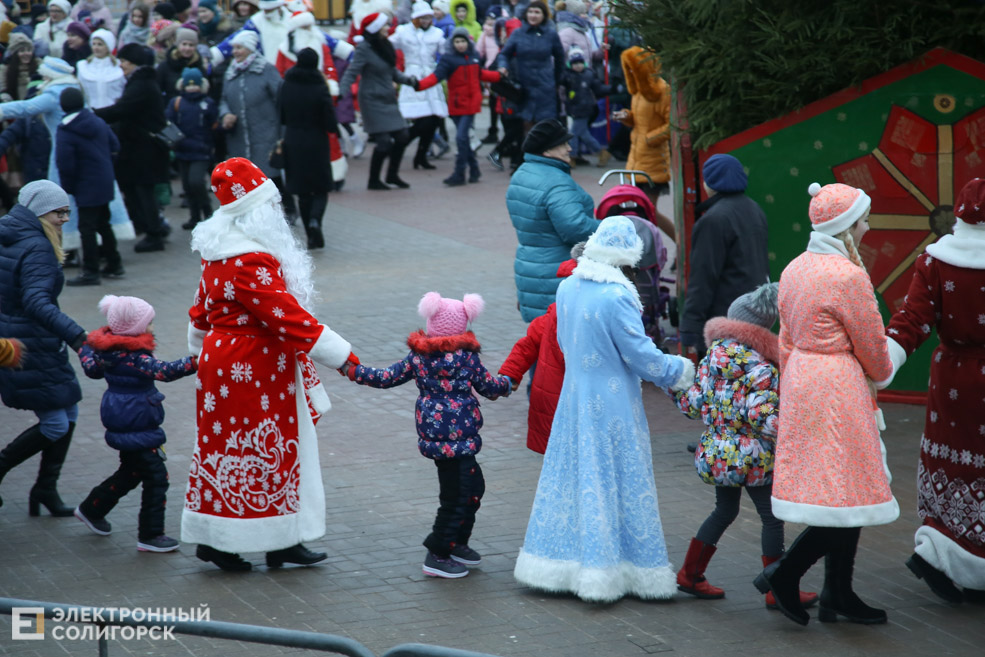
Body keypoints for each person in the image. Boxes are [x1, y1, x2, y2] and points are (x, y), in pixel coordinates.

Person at [183, 157, 357, 572]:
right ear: (258, 209)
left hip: (224, 361)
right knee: (267, 448)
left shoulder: (217, 249)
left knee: (229, 447)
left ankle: (276, 538)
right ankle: (233, 542)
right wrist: (343, 357)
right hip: (255, 365)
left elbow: (200, 311)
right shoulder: (250, 259)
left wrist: (196, 351)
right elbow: (286, 316)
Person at [513, 216, 695, 602]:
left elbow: (562, 341)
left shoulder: (567, 287)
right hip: (613, 404)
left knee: (574, 476)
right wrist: (678, 371)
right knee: (616, 479)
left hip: (575, 395)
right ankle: (617, 569)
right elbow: (641, 356)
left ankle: (560, 565)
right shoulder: (618, 296)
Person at [753, 182, 896, 626]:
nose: (868, 225)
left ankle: (837, 591)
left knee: (839, 489)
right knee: (845, 491)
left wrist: (798, 377)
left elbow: (786, 338)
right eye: (863, 219)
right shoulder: (847, 275)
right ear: (845, 225)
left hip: (803, 379)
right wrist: (882, 370)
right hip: (838, 386)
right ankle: (788, 573)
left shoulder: (796, 267)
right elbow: (872, 345)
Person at [342, 292, 512, 578]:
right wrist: (507, 383)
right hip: (460, 438)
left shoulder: (418, 357)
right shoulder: (466, 358)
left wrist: (353, 370)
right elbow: (489, 386)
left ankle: (456, 543)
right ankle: (438, 552)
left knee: (471, 488)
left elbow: (386, 377)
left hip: (437, 437)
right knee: (458, 496)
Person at [670, 283, 819, 609]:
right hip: (751, 459)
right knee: (771, 517)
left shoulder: (711, 360)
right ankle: (777, 588)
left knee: (724, 510)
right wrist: (800, 429)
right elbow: (764, 417)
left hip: (717, 454)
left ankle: (690, 574)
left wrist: (677, 388)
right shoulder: (762, 368)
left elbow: (693, 406)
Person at [883, 177, 985, 604]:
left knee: (953, 464)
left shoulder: (935, 260)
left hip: (951, 379)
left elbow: (911, 321)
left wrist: (882, 362)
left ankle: (937, 550)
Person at [74, 295, 197, 553]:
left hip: (122, 419)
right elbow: (165, 371)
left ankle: (92, 508)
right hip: (136, 422)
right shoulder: (135, 359)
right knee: (156, 476)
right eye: (149, 323)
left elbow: (91, 368)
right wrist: (198, 360)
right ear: (135, 328)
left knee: (131, 472)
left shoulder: (106, 353)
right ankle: (150, 534)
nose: (152, 327)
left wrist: (84, 346)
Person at [0, 180, 87, 517]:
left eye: (67, 211)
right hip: (30, 342)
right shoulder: (37, 246)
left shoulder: (10, 232)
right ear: (38, 211)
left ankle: (45, 489)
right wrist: (78, 337)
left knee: (69, 411)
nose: (65, 218)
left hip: (24, 337)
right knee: (55, 424)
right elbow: (37, 303)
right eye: (59, 212)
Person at [505, 118, 598, 322]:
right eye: (562, 144)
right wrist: (607, 227)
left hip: (528, 269)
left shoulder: (521, 173)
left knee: (540, 341)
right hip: (556, 273)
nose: (569, 149)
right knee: (559, 345)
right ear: (546, 151)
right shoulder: (557, 182)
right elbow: (575, 228)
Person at [680, 154, 769, 359]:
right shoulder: (754, 209)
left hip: (724, 321)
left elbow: (702, 278)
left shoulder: (713, 220)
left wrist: (690, 327)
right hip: (754, 314)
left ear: (709, 182)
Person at [498, 246, 579, 454]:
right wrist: (509, 374)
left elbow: (526, 345)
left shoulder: (552, 315)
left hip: (556, 403)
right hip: (566, 401)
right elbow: (528, 345)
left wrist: (510, 375)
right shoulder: (556, 317)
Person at [95, 43, 170, 254]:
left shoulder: (141, 85)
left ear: (134, 62)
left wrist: (92, 114)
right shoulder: (141, 82)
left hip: (144, 149)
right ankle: (150, 225)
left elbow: (121, 110)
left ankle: (154, 233)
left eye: (124, 62)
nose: (121, 66)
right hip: (141, 148)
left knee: (142, 190)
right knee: (135, 188)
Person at [217, 31, 295, 220]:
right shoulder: (231, 71)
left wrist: (282, 131)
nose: (235, 52)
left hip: (265, 131)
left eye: (239, 47)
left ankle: (288, 209)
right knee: (245, 177)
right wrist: (225, 114)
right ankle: (255, 214)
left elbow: (282, 99)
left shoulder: (266, 69)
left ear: (250, 49)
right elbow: (223, 99)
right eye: (234, 48)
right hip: (240, 134)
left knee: (270, 174)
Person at [339, 12, 417, 191]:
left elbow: (393, 72)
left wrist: (410, 81)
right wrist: (341, 93)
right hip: (371, 100)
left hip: (388, 99)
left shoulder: (385, 45)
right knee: (383, 142)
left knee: (403, 136)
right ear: (375, 29)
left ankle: (392, 175)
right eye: (384, 25)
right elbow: (351, 72)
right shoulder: (364, 48)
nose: (388, 28)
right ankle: (373, 180)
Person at [416, 27, 501, 186]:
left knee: (461, 137)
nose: (460, 44)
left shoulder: (474, 57)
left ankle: (459, 173)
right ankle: (474, 169)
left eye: (462, 41)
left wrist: (499, 75)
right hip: (456, 105)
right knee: (464, 139)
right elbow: (436, 77)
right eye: (457, 41)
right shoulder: (448, 59)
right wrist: (418, 85)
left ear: (467, 42)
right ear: (452, 43)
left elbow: (481, 74)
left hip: (471, 104)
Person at [55, 87, 123, 286]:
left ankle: (91, 271)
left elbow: (65, 162)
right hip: (104, 180)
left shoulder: (66, 129)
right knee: (103, 223)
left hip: (85, 184)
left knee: (87, 227)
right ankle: (114, 263)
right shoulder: (98, 121)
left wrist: (68, 187)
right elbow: (115, 145)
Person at [279, 47, 337, 249]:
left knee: (302, 190)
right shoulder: (320, 85)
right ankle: (315, 221)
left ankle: (310, 235)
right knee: (321, 187)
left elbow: (281, 115)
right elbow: (330, 120)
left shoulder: (287, 84)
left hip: (293, 139)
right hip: (316, 140)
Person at [389, 1, 448, 172]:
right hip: (412, 79)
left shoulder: (437, 33)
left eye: (428, 17)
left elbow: (446, 52)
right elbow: (388, 45)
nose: (425, 21)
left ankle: (421, 157)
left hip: (431, 78)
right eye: (422, 18)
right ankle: (401, 144)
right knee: (423, 120)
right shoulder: (403, 32)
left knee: (434, 119)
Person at [612, 46, 671, 200]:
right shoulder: (638, 92)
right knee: (642, 210)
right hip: (636, 161)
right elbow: (637, 122)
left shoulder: (663, 90)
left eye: (633, 69)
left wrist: (649, 139)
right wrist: (625, 116)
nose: (630, 73)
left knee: (649, 211)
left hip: (654, 162)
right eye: (628, 69)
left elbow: (672, 125)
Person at [496, 1, 564, 131]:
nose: (533, 15)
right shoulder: (518, 33)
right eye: (530, 12)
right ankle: (527, 152)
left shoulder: (551, 34)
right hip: (524, 87)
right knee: (526, 127)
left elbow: (560, 58)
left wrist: (557, 80)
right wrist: (503, 67)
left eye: (537, 12)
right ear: (526, 14)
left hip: (545, 88)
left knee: (544, 127)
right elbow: (504, 54)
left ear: (544, 15)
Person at [166, 67, 217, 231]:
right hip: (182, 150)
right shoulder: (176, 103)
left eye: (195, 85)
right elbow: (168, 122)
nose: (192, 88)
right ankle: (195, 216)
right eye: (189, 85)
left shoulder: (208, 103)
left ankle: (208, 213)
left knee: (196, 182)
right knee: (187, 185)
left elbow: (214, 125)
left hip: (201, 151)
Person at [560, 47, 609, 165]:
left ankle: (572, 156)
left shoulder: (589, 74)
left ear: (584, 63)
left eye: (580, 62)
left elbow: (599, 88)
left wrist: (612, 88)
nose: (578, 66)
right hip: (574, 109)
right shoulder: (567, 75)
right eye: (574, 63)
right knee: (584, 134)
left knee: (573, 134)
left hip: (585, 109)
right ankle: (601, 152)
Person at [210, 0, 292, 67]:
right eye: (265, 10)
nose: (267, 14)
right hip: (268, 70)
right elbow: (237, 39)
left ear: (278, 7)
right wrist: (215, 54)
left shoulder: (292, 20)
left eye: (270, 10)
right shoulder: (257, 21)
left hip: (290, 68)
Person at [76, 29, 125, 109]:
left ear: (108, 47)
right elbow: (80, 92)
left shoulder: (119, 66)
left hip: (113, 114)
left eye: (100, 44)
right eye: (94, 44)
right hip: (91, 113)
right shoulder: (83, 66)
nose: (96, 48)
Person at [156, 26, 207, 102]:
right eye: (184, 44)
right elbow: (157, 90)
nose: (187, 48)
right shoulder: (165, 66)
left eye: (191, 45)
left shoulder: (199, 67)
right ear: (178, 45)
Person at [0, 33, 39, 101]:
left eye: (29, 50)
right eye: (22, 51)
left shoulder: (39, 65)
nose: (26, 53)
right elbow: (2, 87)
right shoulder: (4, 69)